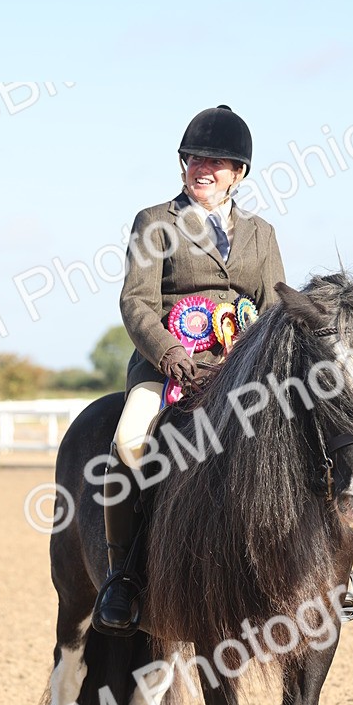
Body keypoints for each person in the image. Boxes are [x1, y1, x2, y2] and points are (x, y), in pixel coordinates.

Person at [92, 105, 286, 635]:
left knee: (305, 432)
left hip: (242, 371)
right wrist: (171, 356)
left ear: (238, 173)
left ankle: (324, 572)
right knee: (131, 440)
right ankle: (123, 576)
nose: (205, 168)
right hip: (168, 365)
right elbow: (136, 302)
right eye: (195, 158)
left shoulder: (261, 234)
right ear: (182, 164)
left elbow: (273, 311)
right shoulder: (155, 222)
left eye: (218, 161)